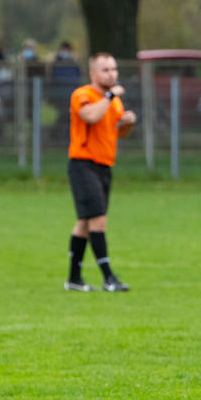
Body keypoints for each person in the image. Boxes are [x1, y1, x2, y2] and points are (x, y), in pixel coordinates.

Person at [65, 53, 136, 292]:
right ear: (93, 74)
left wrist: (127, 123)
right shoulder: (83, 95)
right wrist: (110, 95)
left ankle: (74, 279)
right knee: (98, 219)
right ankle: (108, 278)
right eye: (105, 70)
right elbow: (90, 116)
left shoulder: (113, 101)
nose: (112, 74)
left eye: (114, 69)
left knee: (85, 223)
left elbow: (119, 133)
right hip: (83, 164)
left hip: (104, 166)